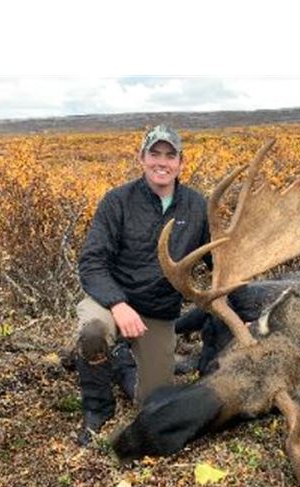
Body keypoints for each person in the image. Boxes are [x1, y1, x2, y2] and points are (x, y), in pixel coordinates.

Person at [75, 124, 210, 445]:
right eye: (155, 154)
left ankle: (122, 362)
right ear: (142, 158)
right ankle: (97, 407)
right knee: (93, 332)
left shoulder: (196, 206)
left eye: (170, 156)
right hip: (112, 301)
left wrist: (239, 307)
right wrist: (117, 303)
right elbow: (91, 262)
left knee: (155, 403)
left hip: (158, 310)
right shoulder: (117, 201)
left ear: (181, 162)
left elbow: (218, 260)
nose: (162, 162)